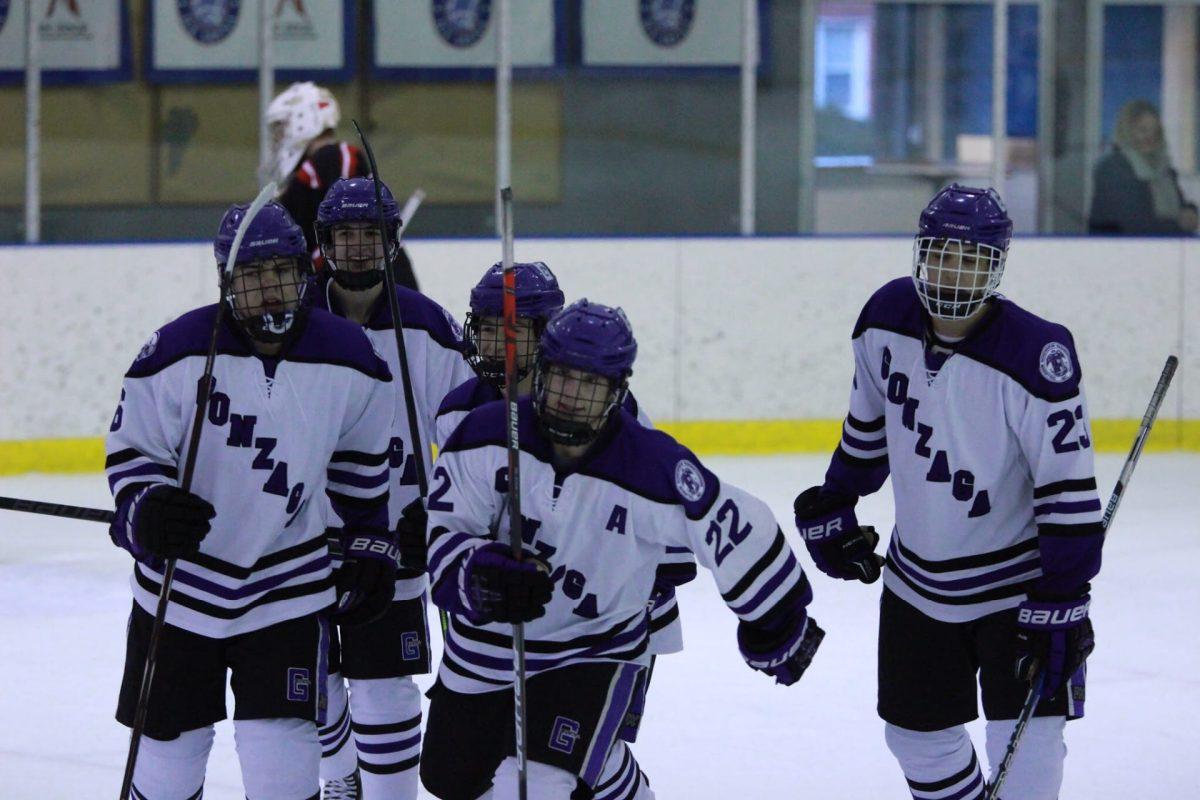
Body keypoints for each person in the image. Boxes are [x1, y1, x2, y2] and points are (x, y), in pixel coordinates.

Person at [421, 299, 823, 800]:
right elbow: (440, 537)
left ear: (617, 391)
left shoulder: (651, 466)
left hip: (595, 648)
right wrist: (479, 577)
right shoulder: (483, 436)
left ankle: (588, 758)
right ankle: (613, 776)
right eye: (563, 376)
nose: (571, 396)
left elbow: (739, 526)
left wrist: (775, 622)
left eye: (590, 384)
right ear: (541, 371)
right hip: (484, 647)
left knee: (533, 785)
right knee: (448, 778)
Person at [794, 184, 1101, 800]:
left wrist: (1064, 595)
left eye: (972, 258)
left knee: (1027, 746)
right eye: (941, 253)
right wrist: (837, 499)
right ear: (920, 253)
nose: (952, 271)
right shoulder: (884, 318)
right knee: (914, 737)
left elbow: (1068, 492)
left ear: (997, 266)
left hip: (1016, 588)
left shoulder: (1037, 357)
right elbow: (868, 429)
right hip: (916, 583)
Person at [105, 202, 398, 799]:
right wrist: (146, 511)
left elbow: (362, 477)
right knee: (165, 768)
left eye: (282, 272)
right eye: (251, 276)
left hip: (288, 589)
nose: (269, 290)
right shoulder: (174, 352)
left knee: (283, 772)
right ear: (226, 281)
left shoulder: (351, 358)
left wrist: (370, 544)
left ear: (304, 273)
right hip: (179, 591)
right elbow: (132, 458)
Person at [426, 267, 696, 797]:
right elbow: (454, 516)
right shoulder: (459, 412)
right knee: (459, 771)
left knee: (567, 762)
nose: (488, 342)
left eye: (507, 330)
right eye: (481, 328)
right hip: (503, 624)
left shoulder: (614, 416)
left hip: (598, 626)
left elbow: (656, 533)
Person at [308, 176, 474, 799]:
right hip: (304, 542)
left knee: (384, 688)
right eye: (344, 235)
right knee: (313, 686)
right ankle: (339, 778)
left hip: (399, 541)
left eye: (369, 235)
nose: (356, 248)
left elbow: (468, 437)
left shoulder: (428, 327)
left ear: (389, 243)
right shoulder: (296, 323)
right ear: (324, 243)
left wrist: (439, 512)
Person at [263, 81, 419, 288]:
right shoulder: (309, 171)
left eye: (282, 127)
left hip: (372, 288)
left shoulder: (334, 156)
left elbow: (344, 227)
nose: (279, 137)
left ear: (304, 120)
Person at [1089, 99, 1198, 236]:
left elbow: (1180, 206)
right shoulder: (1114, 168)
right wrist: (1179, 224)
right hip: (1121, 251)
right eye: (1142, 130)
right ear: (1127, 131)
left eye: (1155, 131)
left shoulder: (1164, 170)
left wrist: (1190, 212)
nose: (1150, 137)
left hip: (1167, 249)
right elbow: (1134, 223)